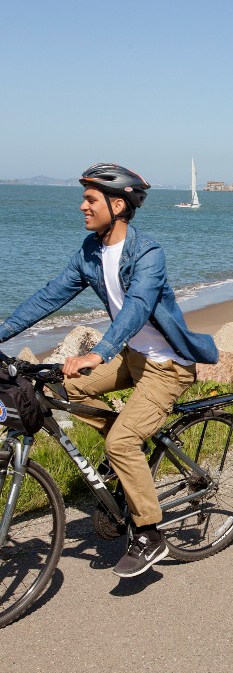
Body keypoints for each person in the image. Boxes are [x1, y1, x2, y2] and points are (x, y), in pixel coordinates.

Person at [0, 163, 218, 576]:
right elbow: (49, 296)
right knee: (67, 390)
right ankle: (128, 453)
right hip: (132, 358)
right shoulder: (91, 251)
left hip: (166, 365)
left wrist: (99, 352)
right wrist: (2, 331)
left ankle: (150, 534)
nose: (82, 206)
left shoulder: (148, 252)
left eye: (90, 199)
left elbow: (137, 306)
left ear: (117, 205)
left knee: (119, 442)